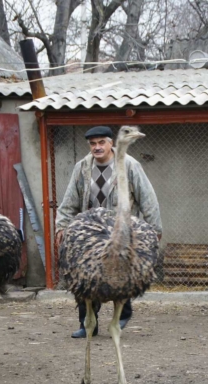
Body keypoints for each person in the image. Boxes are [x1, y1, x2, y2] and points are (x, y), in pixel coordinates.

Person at [55, 125, 163, 338]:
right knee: (85, 276)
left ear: (111, 142)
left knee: (121, 269)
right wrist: (62, 226)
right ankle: (88, 323)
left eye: (101, 142)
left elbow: (147, 199)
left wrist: (154, 230)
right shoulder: (82, 167)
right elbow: (69, 201)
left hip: (119, 227)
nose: (97, 147)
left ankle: (122, 314)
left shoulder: (130, 165)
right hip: (90, 231)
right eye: (93, 144)